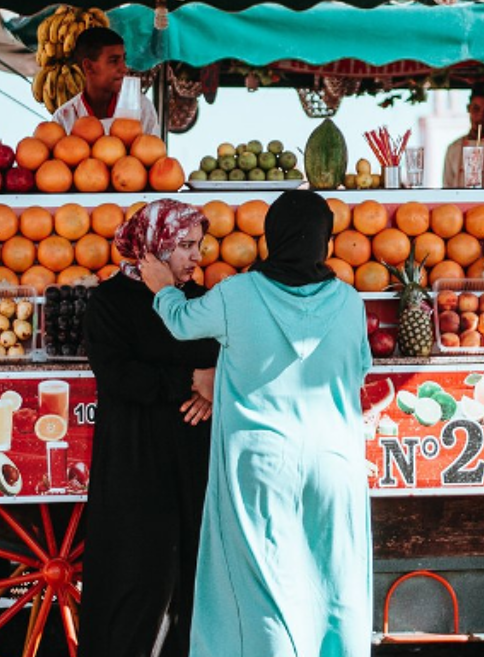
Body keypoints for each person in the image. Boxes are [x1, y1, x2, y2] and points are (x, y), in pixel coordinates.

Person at [141, 189, 372, 657]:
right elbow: (359, 368)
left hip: (261, 464)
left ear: (271, 238)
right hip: (336, 463)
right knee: (334, 578)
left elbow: (182, 322)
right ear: (325, 242)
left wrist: (162, 289)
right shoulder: (350, 302)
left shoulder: (238, 294)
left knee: (265, 585)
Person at [82, 199, 218, 657]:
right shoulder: (109, 302)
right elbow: (118, 375)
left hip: (193, 457)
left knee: (194, 577)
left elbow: (223, 359)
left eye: (198, 245)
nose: (196, 256)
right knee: (134, 577)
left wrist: (213, 385)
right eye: (184, 245)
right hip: (135, 459)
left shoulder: (200, 301)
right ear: (153, 246)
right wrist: (191, 380)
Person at [53, 26, 162, 136]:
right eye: (114, 61)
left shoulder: (141, 108)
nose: (124, 69)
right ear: (88, 67)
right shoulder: (64, 118)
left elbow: (154, 145)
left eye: (124, 59)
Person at [439, 81, 484, 188]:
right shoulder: (453, 148)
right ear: (468, 108)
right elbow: (446, 187)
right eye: (476, 109)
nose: (480, 116)